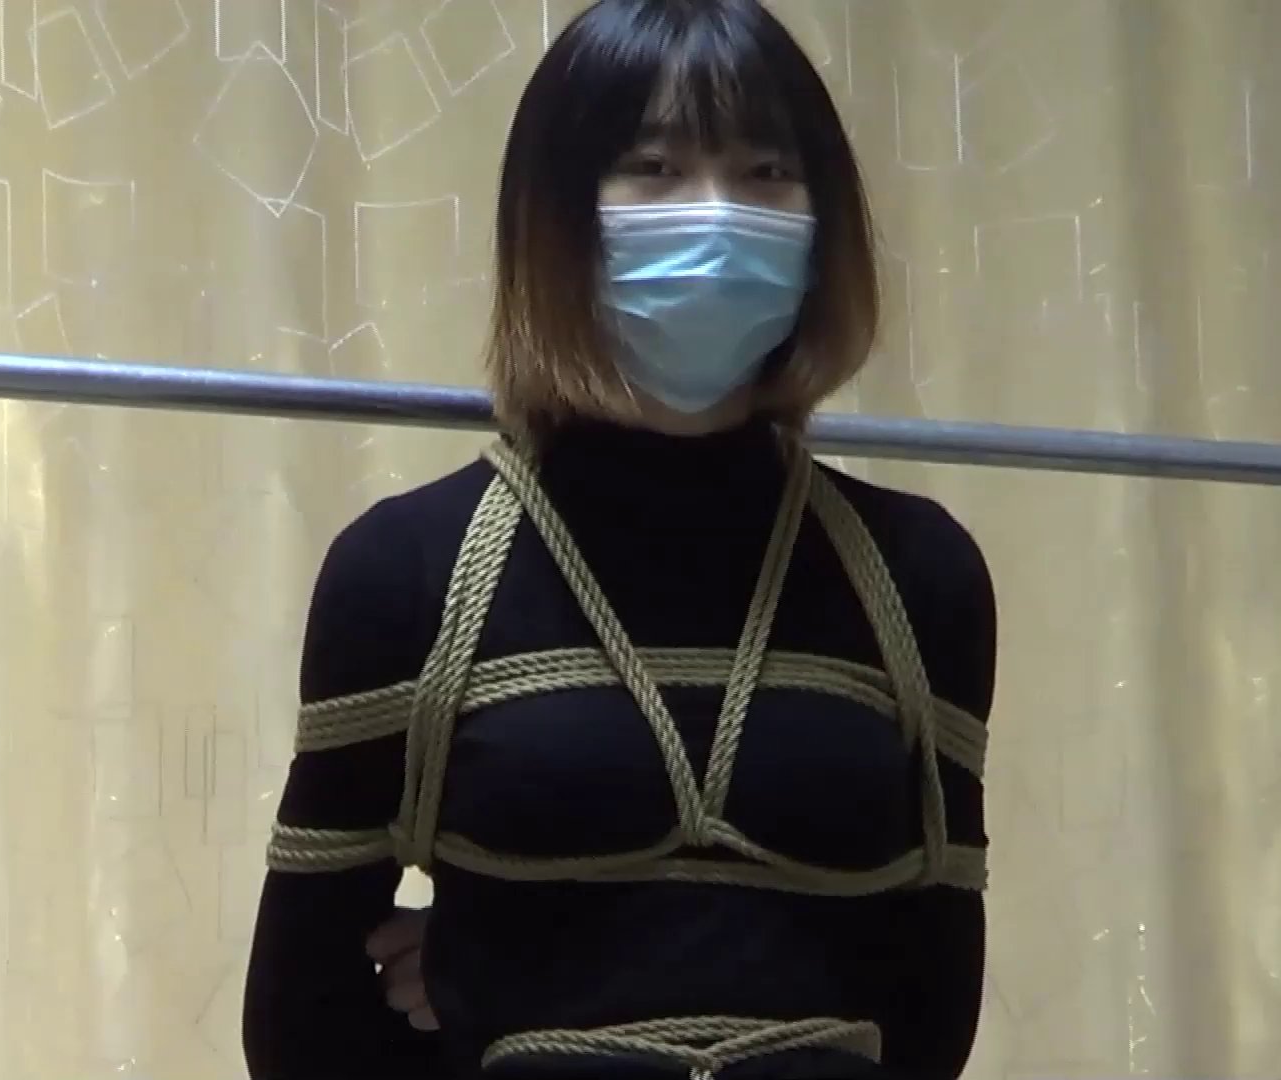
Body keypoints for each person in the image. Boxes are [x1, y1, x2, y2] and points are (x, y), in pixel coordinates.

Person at [241, 0, 997, 1077]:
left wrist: (505, 963)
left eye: (766, 172)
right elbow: (302, 1026)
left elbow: (930, 1005)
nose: (716, 214)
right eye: (654, 169)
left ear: (824, 222)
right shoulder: (407, 573)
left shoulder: (919, 578)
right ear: (555, 219)